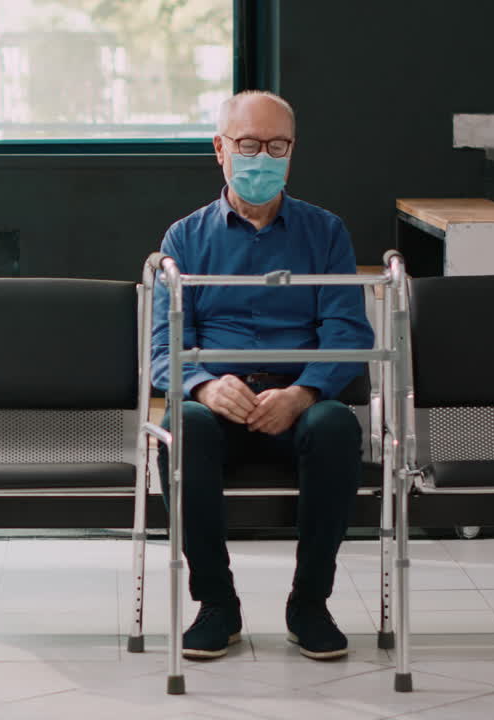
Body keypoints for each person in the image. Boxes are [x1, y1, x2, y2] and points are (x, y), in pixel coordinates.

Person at [151, 90, 375, 661]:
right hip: (218, 408)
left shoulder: (326, 233)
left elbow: (348, 332)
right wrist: (204, 385)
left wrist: (303, 392)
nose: (262, 158)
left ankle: (310, 604)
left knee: (336, 426)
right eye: (249, 144)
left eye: (277, 146)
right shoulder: (184, 239)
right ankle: (217, 604)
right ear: (220, 149)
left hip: (298, 405)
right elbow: (161, 347)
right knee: (183, 427)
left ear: (292, 151)